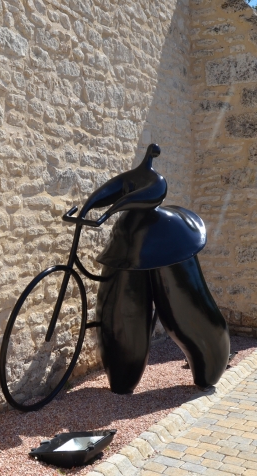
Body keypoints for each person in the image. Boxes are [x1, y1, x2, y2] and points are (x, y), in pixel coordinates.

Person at [79, 144, 230, 394]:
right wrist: (90, 210)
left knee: (184, 309)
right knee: (123, 312)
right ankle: (123, 377)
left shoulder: (155, 187)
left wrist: (106, 214)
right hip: (128, 242)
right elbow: (115, 190)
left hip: (162, 235)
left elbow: (132, 194)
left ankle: (207, 366)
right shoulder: (134, 207)